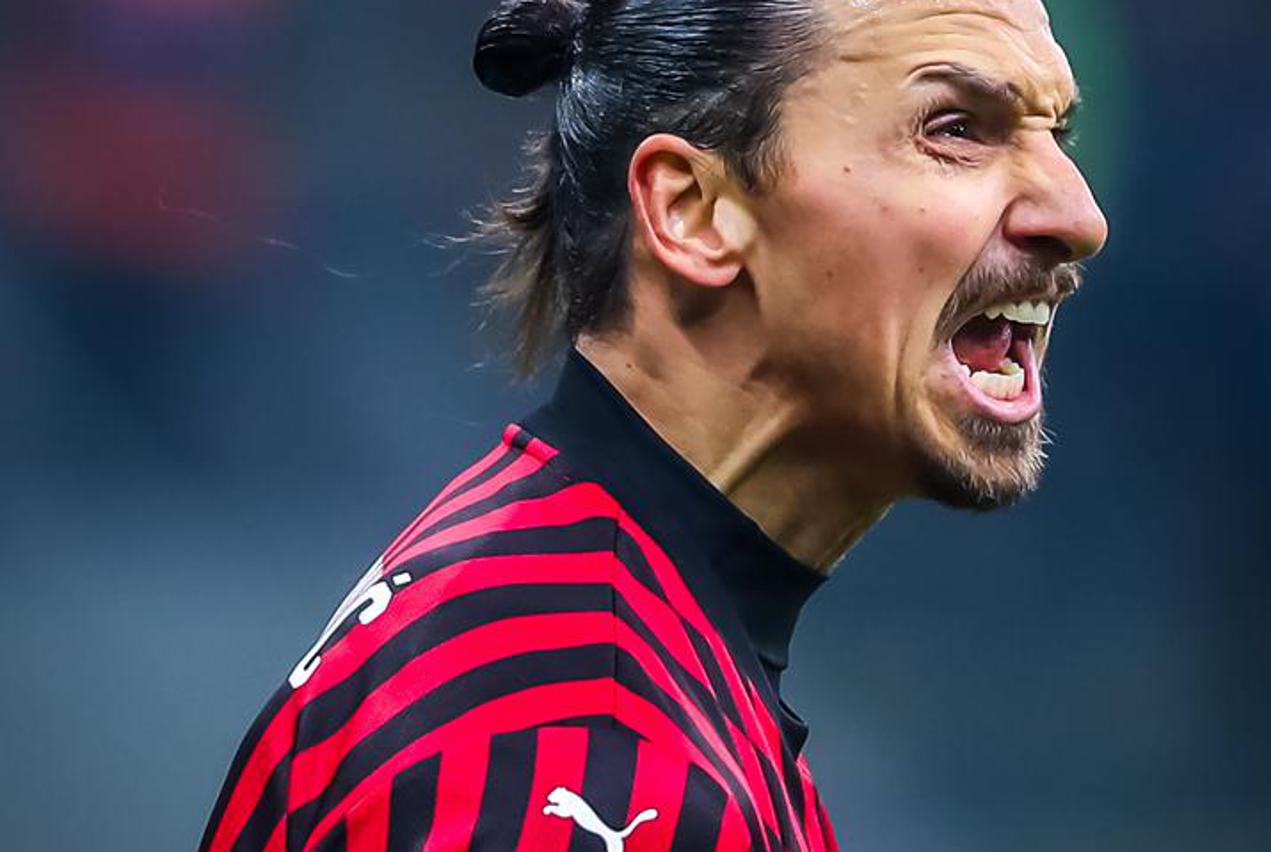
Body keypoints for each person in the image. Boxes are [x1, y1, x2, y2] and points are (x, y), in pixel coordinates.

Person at [199, 0, 1107, 848]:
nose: (1079, 216)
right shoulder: (585, 751)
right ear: (692, 212)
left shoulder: (576, 617)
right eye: (956, 130)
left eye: (1056, 135)